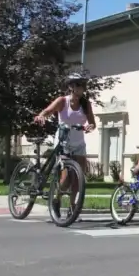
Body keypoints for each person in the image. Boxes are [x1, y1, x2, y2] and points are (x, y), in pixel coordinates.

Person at [34, 72, 96, 219]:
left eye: (83, 85)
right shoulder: (63, 101)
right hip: (63, 142)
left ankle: (73, 207)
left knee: (78, 178)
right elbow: (48, 111)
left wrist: (89, 127)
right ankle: (57, 198)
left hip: (79, 144)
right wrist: (42, 116)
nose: (81, 88)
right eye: (78, 85)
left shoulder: (86, 104)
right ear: (71, 87)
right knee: (66, 178)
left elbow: (92, 123)